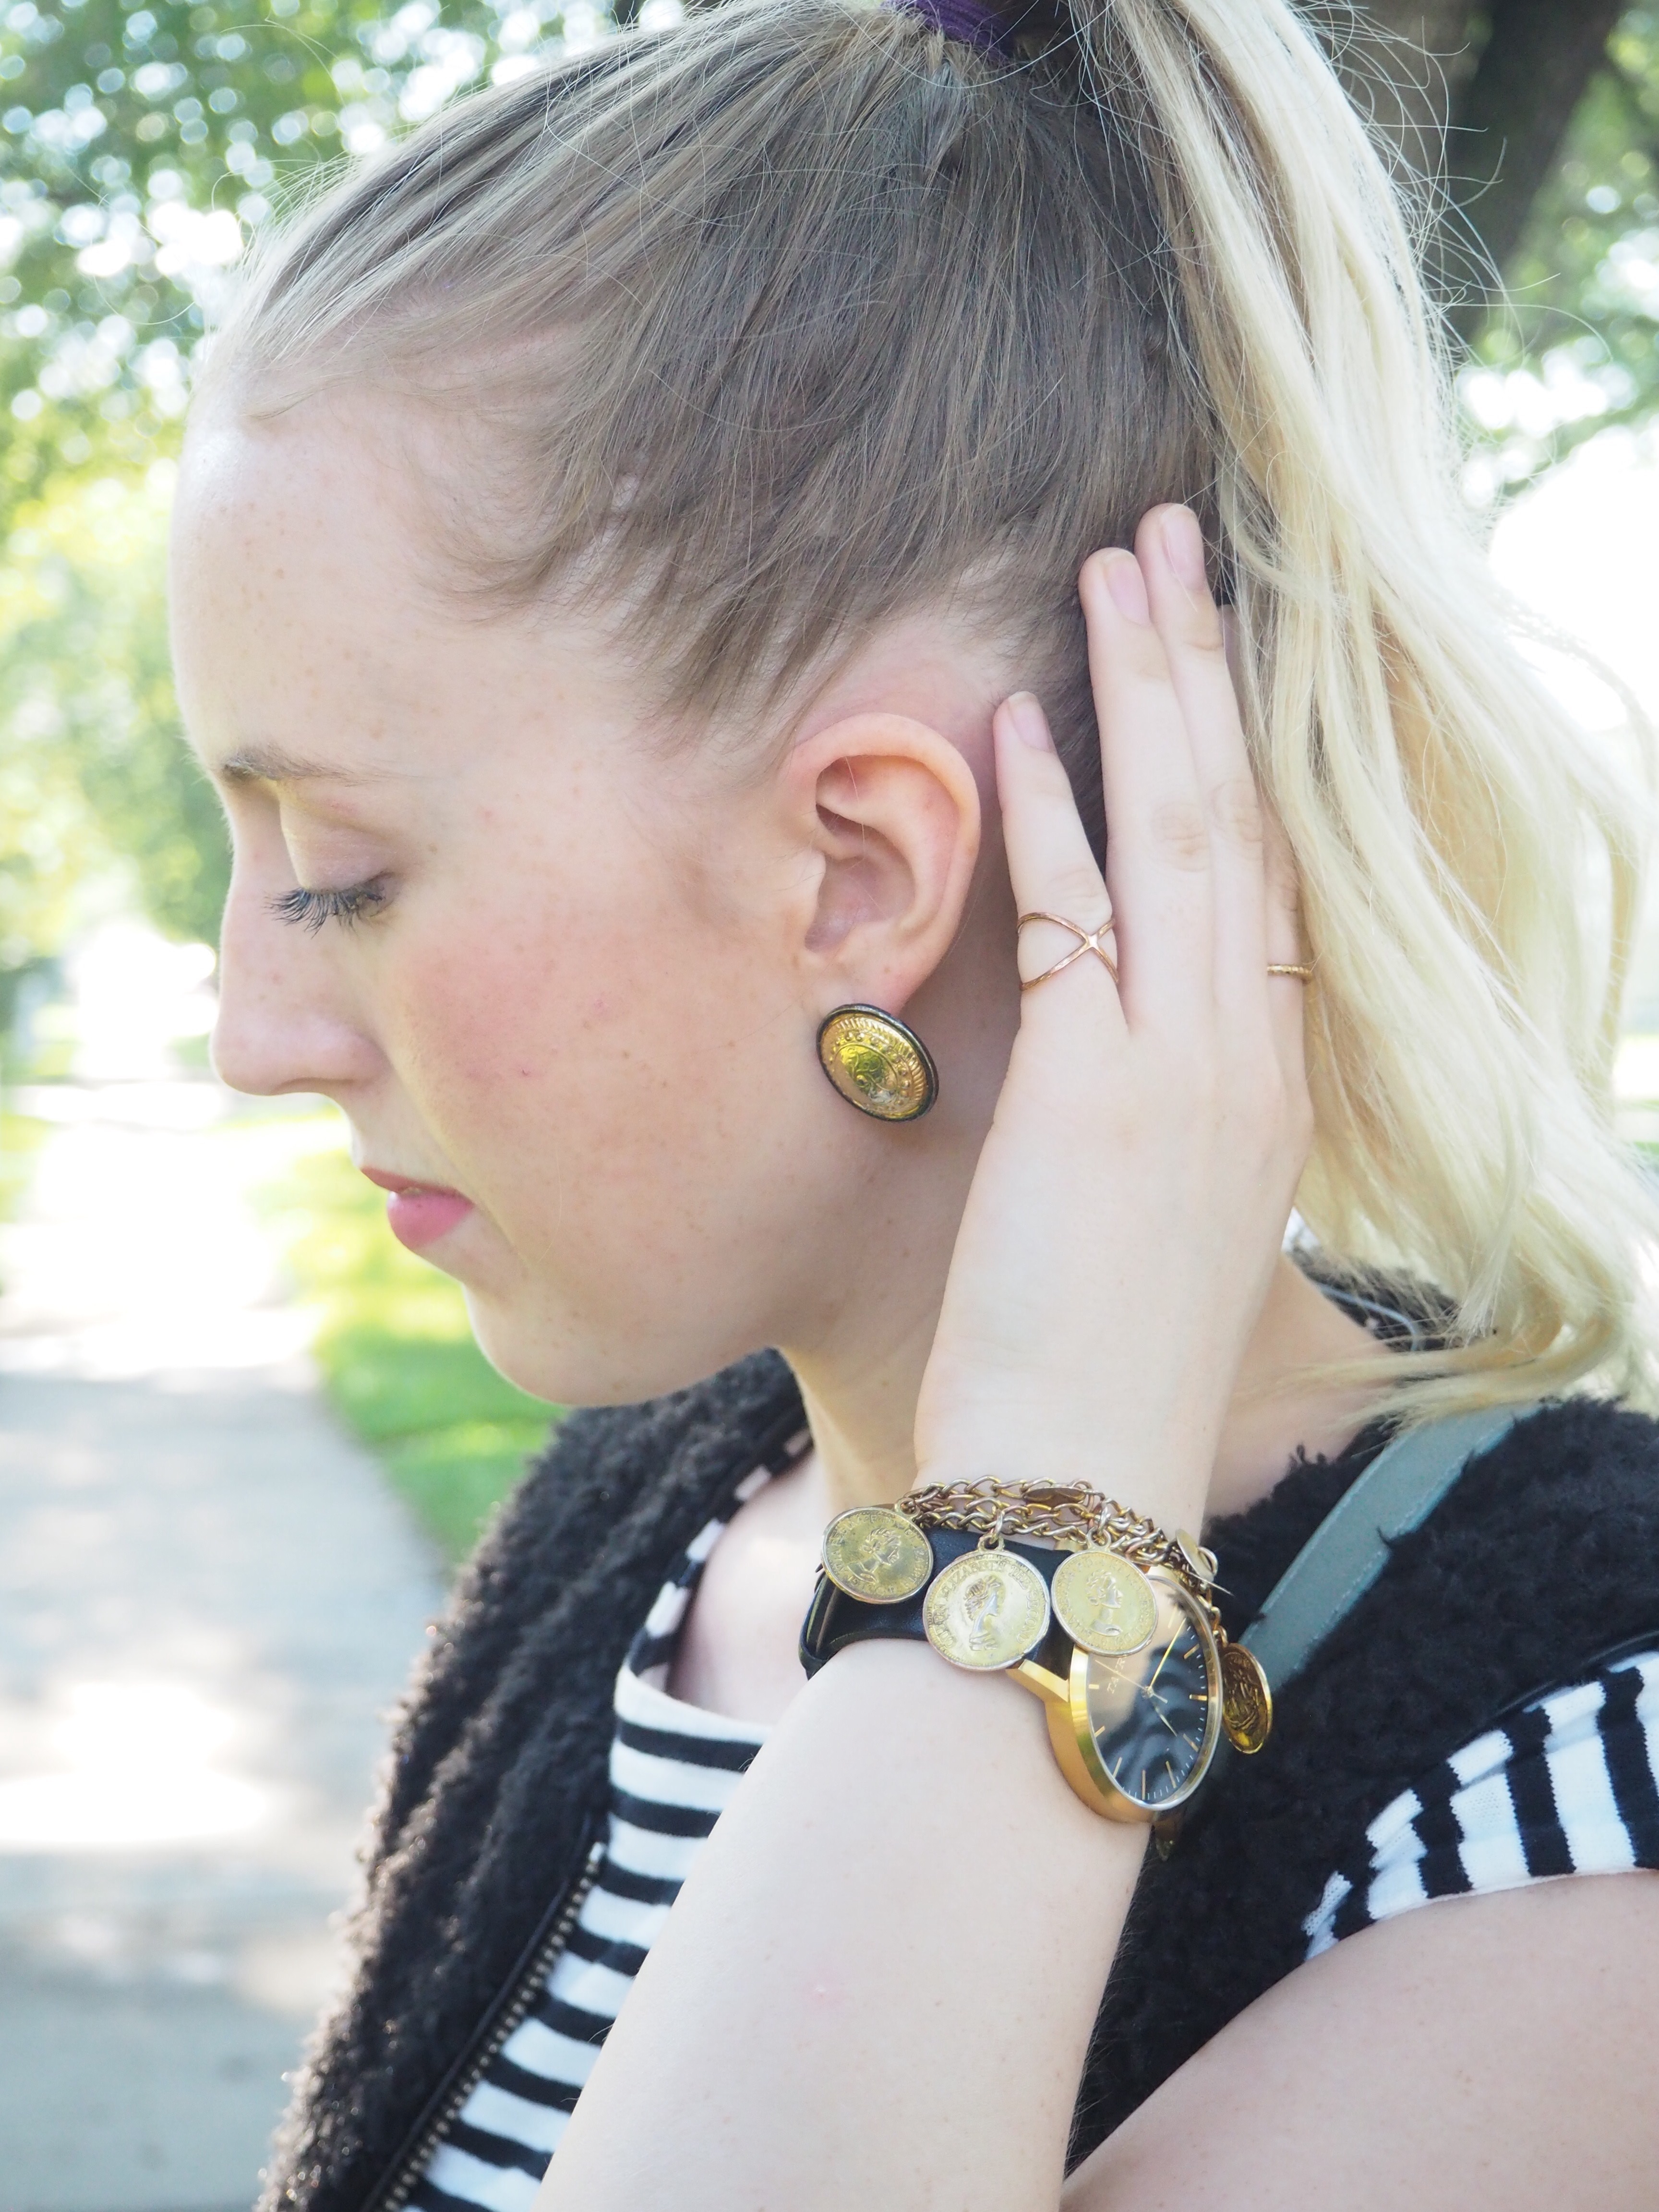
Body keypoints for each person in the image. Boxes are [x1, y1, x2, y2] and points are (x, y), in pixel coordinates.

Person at [169, 0, 1659, 2204]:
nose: (251, 1028)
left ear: (862, 870)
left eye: (339, 877)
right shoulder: (643, 1522)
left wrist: (1048, 1514)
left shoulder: (1574, 1788)